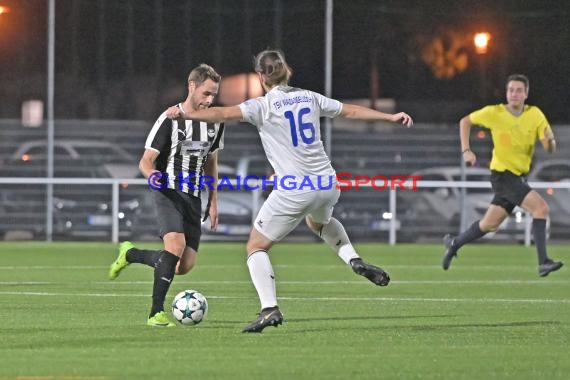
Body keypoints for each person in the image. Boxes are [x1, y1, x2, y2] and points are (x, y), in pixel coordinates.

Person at [165, 49, 413, 333]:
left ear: (260, 77)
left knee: (255, 247)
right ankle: (353, 259)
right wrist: (390, 117)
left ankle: (269, 309)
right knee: (319, 222)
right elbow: (352, 110)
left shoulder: (262, 106)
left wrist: (186, 113)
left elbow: (223, 113)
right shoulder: (311, 97)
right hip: (327, 182)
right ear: (288, 71)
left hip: (295, 188)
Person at [108, 64, 225, 327]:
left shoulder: (215, 123)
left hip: (193, 197)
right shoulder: (170, 119)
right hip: (168, 191)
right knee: (175, 246)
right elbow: (146, 160)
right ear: (192, 86)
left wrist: (213, 198)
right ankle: (155, 313)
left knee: (183, 266)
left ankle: (131, 254)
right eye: (206, 93)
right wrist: (152, 176)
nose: (210, 100)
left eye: (213, 95)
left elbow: (211, 161)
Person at [442, 74, 563, 277]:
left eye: (518, 90)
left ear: (526, 93)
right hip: (503, 176)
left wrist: (550, 141)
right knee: (541, 208)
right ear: (506, 93)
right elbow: (465, 121)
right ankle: (543, 262)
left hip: (518, 177)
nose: (514, 94)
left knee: (489, 224)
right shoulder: (494, 112)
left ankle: (454, 243)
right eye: (511, 90)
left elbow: (549, 147)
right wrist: (466, 150)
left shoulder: (535, 114)